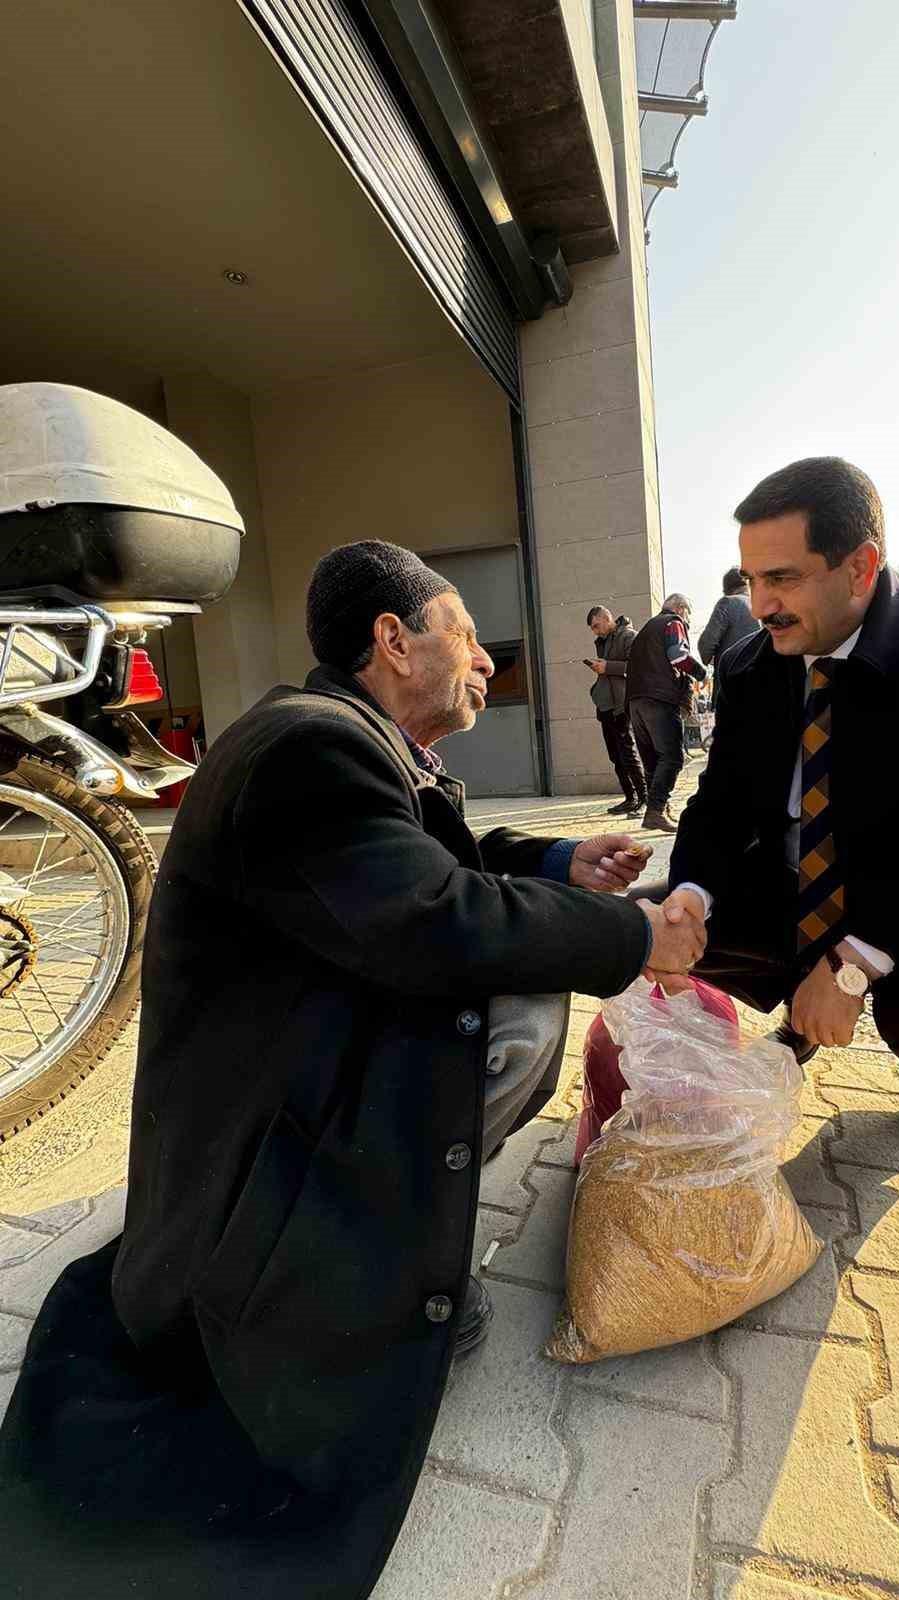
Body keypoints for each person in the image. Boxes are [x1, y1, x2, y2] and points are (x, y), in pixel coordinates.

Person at [0, 541, 704, 1600]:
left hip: (294, 1055)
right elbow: (433, 915)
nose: (485, 660)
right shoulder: (307, 752)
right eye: (464, 631)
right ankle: (370, 1254)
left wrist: (558, 862)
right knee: (509, 1001)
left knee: (516, 967)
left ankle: (400, 1218)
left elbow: (424, 851)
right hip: (259, 1146)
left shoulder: (345, 738)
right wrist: (632, 937)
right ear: (394, 639)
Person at [640, 455, 899, 1155]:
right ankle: (785, 1028)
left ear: (861, 568)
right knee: (635, 928)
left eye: (782, 578)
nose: (759, 604)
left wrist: (855, 964)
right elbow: (719, 808)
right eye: (751, 580)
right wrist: (691, 893)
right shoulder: (753, 666)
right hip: (793, 892)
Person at [626, 591, 707, 834]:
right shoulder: (673, 623)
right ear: (681, 609)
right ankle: (655, 812)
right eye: (689, 615)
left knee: (653, 760)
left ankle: (657, 810)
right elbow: (679, 656)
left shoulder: (646, 629)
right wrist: (702, 673)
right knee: (672, 757)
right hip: (659, 699)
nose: (689, 620)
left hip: (635, 702)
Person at [584, 605, 646, 816]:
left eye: (596, 626)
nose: (595, 631)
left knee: (627, 753)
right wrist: (600, 668)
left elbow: (640, 666)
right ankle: (630, 798)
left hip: (622, 705)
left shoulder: (628, 636)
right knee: (615, 756)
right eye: (592, 628)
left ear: (606, 618)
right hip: (605, 705)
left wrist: (608, 667)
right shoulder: (602, 642)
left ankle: (643, 798)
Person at [698, 566, 761, 672]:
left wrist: (711, 660)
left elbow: (706, 644)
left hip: (731, 677)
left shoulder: (727, 602)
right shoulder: (761, 606)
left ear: (726, 589)